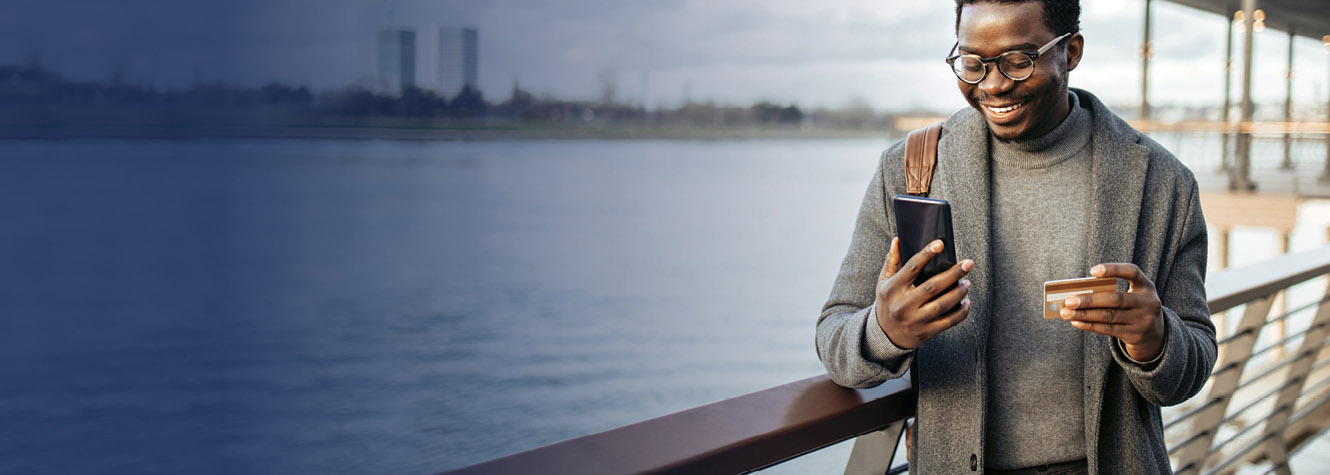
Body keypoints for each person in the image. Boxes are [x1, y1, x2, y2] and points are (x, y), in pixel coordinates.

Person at [814, 0, 1215, 473]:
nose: (993, 83)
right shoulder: (909, 169)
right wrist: (886, 331)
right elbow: (834, 340)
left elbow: (1194, 361)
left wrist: (1156, 340)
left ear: (1071, 52)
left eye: (1018, 60)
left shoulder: (1162, 182)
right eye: (972, 63)